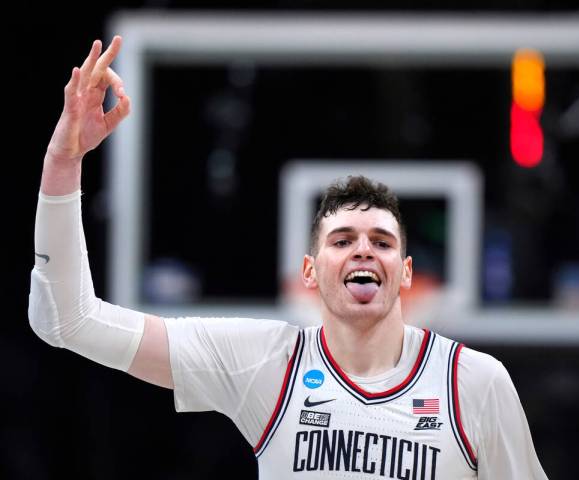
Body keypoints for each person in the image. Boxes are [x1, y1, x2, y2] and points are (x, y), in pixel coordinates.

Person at [29, 36, 549, 479]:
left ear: (407, 273)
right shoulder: (267, 362)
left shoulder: (475, 382)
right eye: (342, 240)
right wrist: (63, 160)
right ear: (307, 272)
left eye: (382, 241)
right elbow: (70, 321)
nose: (363, 249)